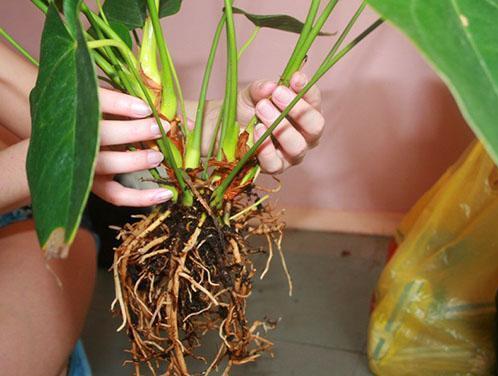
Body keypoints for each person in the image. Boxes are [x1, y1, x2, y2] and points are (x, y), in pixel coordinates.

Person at [0, 40, 325, 375]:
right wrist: (48, 159)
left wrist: (208, 120)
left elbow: (20, 92)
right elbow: (52, 141)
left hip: (27, 214)